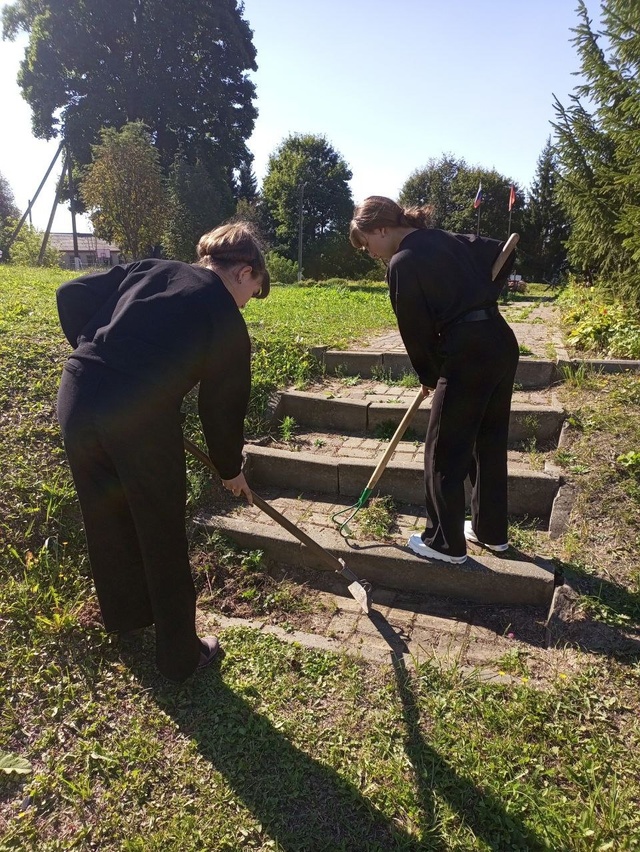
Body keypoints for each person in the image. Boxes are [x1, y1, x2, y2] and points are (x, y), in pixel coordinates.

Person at [56, 222, 269, 681]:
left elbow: (70, 293)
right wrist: (231, 470)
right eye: (254, 291)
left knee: (107, 514)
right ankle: (180, 658)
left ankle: (128, 618)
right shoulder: (225, 317)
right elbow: (222, 408)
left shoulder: (150, 269)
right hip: (138, 420)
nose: (247, 303)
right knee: (161, 531)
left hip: (76, 393)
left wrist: (96, 356)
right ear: (244, 272)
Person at [349, 196, 518, 565]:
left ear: (381, 229)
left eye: (367, 244)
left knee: (444, 449)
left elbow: (415, 330)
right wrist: (487, 294)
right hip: (500, 342)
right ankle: (491, 532)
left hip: (467, 354)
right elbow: (503, 250)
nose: (371, 253)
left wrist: (430, 375)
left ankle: (445, 542)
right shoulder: (443, 238)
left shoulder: (403, 262)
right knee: (488, 441)